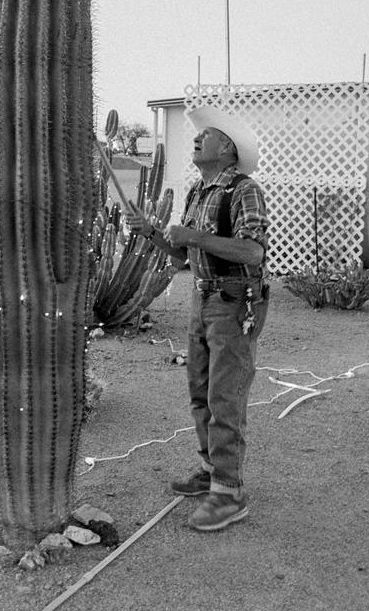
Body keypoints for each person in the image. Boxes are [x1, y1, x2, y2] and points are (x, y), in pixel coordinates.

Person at [124, 106, 268, 532]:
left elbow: (252, 252)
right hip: (203, 300)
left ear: (226, 148)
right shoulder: (197, 192)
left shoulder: (244, 190)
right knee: (200, 392)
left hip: (233, 302)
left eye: (205, 135)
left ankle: (229, 493)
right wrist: (152, 233)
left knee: (225, 397)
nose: (195, 139)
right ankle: (212, 471)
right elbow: (186, 255)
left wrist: (193, 236)